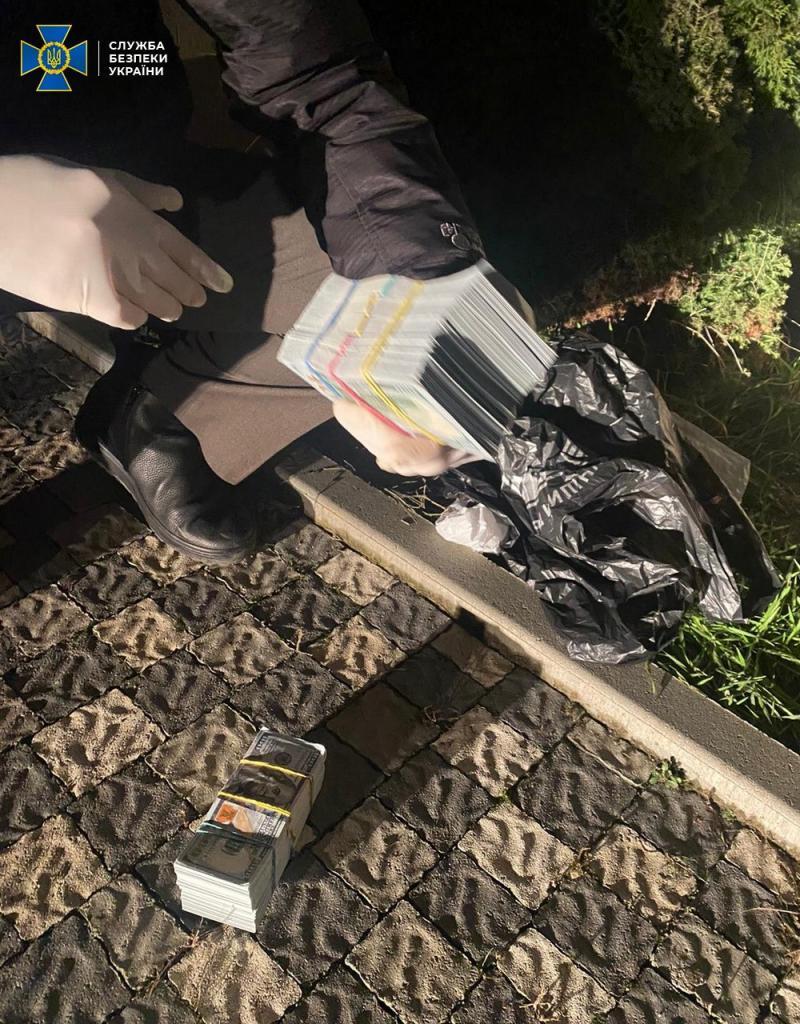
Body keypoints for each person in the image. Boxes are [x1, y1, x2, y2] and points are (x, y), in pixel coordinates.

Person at [0, 0, 489, 563]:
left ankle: (158, 411)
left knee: (378, 289)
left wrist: (423, 287)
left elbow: (321, 74)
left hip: (145, 176)